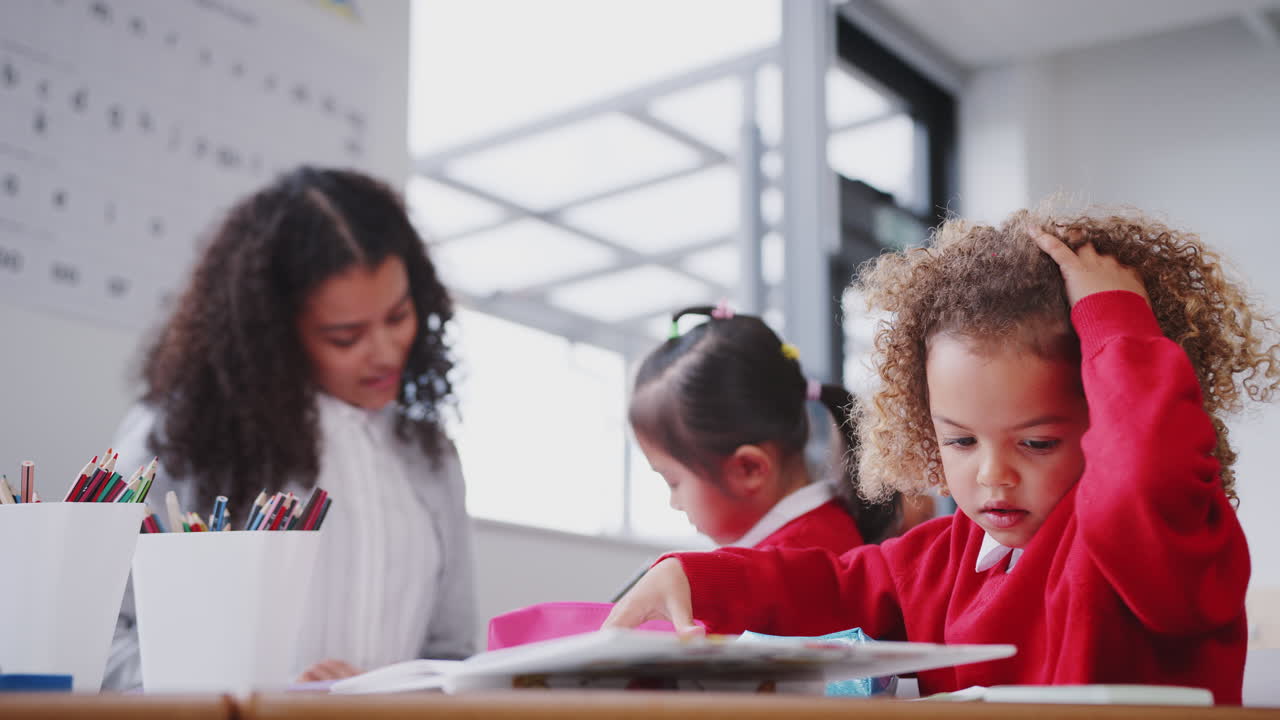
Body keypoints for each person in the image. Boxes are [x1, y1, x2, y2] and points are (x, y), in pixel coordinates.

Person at [605, 208, 1280, 704]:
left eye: (1037, 442)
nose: (991, 475)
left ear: (1109, 413)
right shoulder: (939, 558)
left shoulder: (1158, 542)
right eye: (961, 440)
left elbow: (1141, 475)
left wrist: (1114, 318)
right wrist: (699, 579)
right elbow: (833, 586)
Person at [104, 166, 475, 688]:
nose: (387, 352)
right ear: (275, 335)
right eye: (345, 337)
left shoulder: (429, 455)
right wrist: (259, 690)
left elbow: (451, 653)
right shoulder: (182, 434)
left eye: (398, 316)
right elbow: (99, 639)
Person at [629, 303, 903, 552]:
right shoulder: (821, 530)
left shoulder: (793, 563)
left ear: (749, 468)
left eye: (673, 482)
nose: (673, 503)